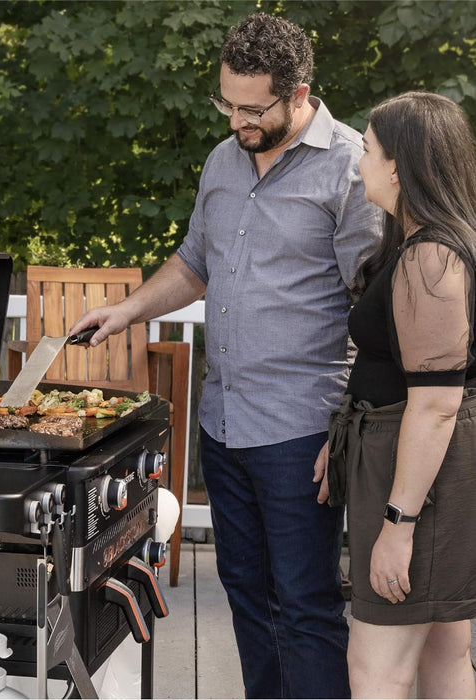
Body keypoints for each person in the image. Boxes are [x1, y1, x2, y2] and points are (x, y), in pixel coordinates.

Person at [70, 12, 382, 699]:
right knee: (245, 594)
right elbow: (193, 263)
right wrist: (125, 311)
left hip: (303, 428)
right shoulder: (221, 159)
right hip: (224, 420)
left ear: (299, 92)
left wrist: (346, 425)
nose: (237, 120)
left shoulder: (351, 168)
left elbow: (375, 308)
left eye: (252, 107)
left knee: (304, 604)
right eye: (226, 103)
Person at [325, 92, 476, 698]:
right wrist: (346, 439)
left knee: (376, 663)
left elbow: (437, 404)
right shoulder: (418, 245)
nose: (358, 163)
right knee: (445, 652)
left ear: (398, 166)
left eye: (365, 150)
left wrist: (399, 523)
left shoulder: (432, 258)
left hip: (421, 479)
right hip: (412, 462)